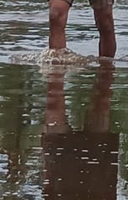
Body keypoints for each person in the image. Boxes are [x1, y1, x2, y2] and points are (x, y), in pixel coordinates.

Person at [42, 65, 118, 200]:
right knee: (103, 93)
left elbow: (48, 188)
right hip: (98, 180)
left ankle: (107, 63)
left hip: (65, 181)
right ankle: (108, 64)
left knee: (54, 93)